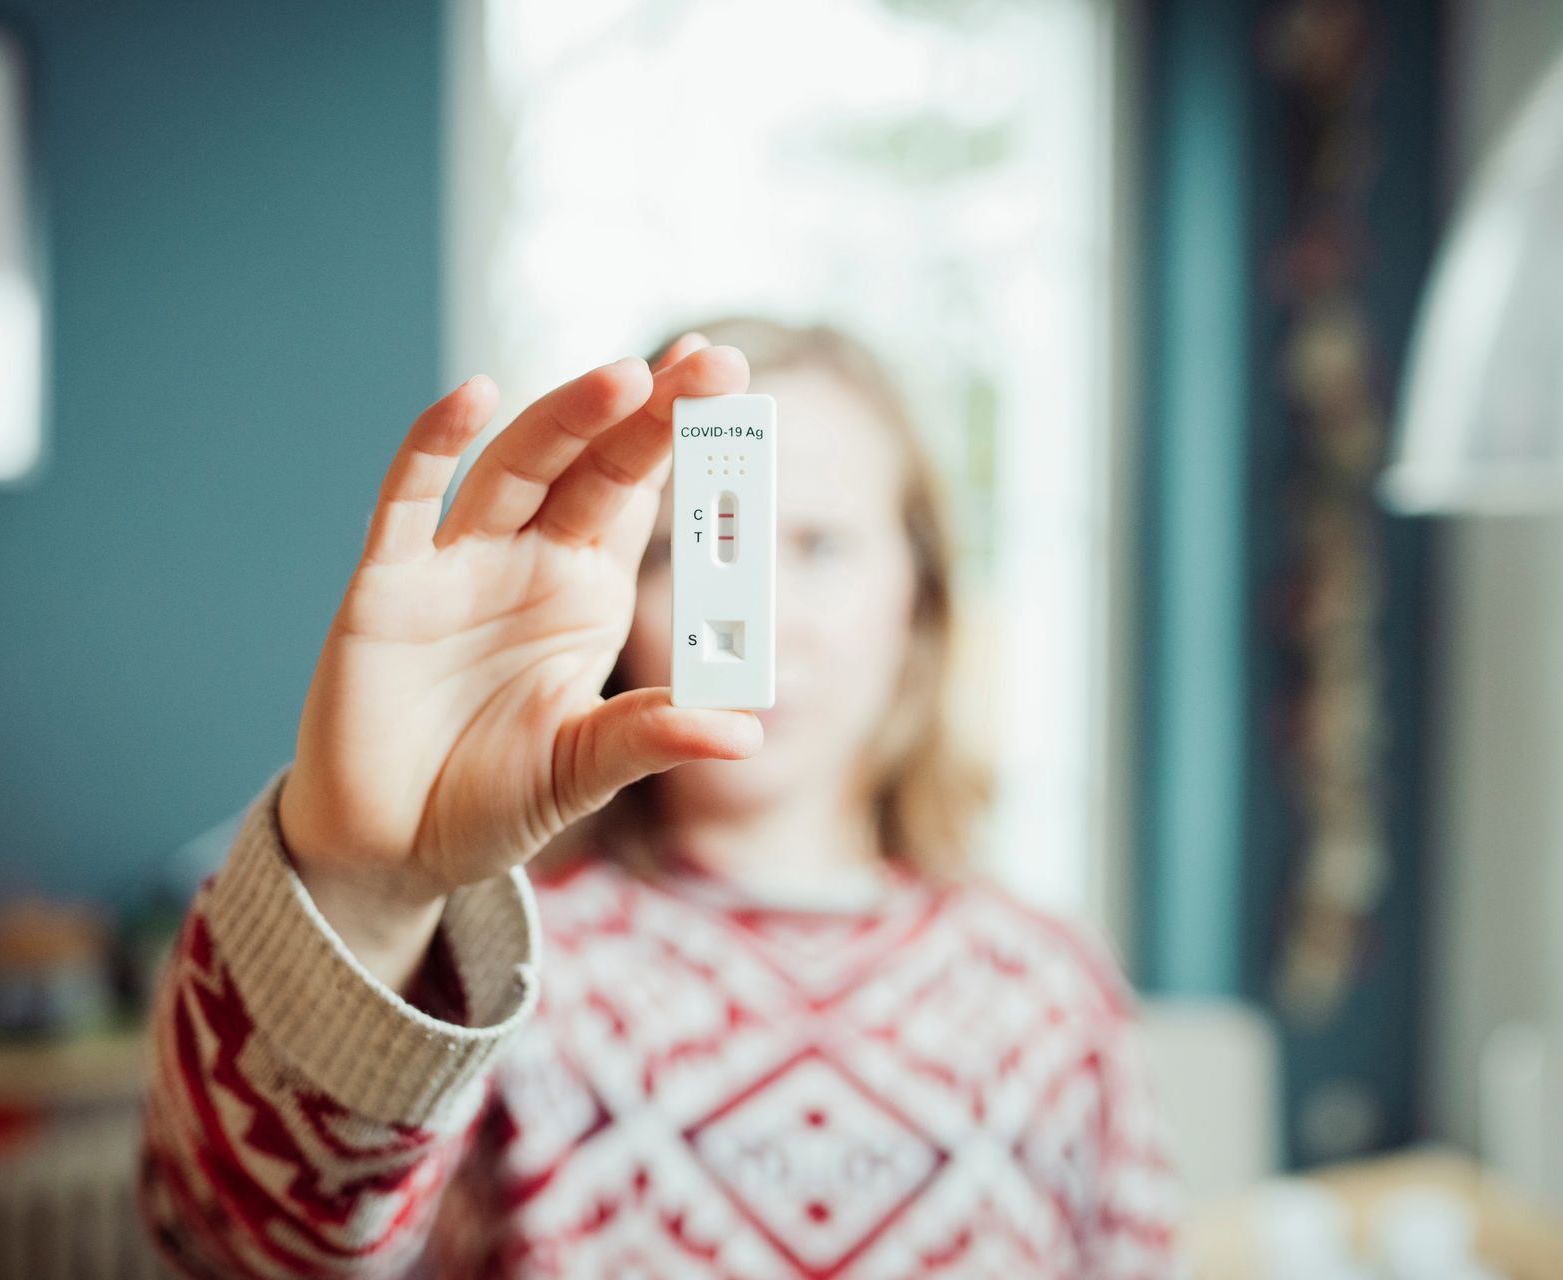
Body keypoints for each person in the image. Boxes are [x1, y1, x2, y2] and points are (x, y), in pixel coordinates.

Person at [137, 318, 1183, 1278]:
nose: (762, 619)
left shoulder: (1051, 988)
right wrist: (371, 889)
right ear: (613, 607)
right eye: (689, 548)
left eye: (819, 544)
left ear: (921, 600)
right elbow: (229, 1254)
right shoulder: (489, 975)